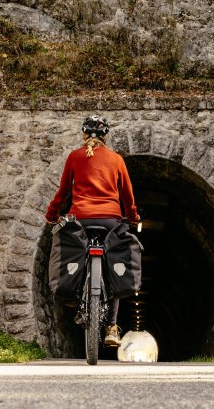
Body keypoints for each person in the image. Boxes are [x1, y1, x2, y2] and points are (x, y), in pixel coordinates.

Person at [46, 115, 140, 347]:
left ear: (84, 134)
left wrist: (52, 215)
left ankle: (76, 293)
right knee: (113, 266)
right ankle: (111, 326)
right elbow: (127, 195)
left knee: (75, 250)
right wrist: (133, 217)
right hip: (111, 219)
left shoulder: (75, 157)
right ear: (106, 136)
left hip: (81, 218)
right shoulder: (117, 159)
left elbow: (63, 192)